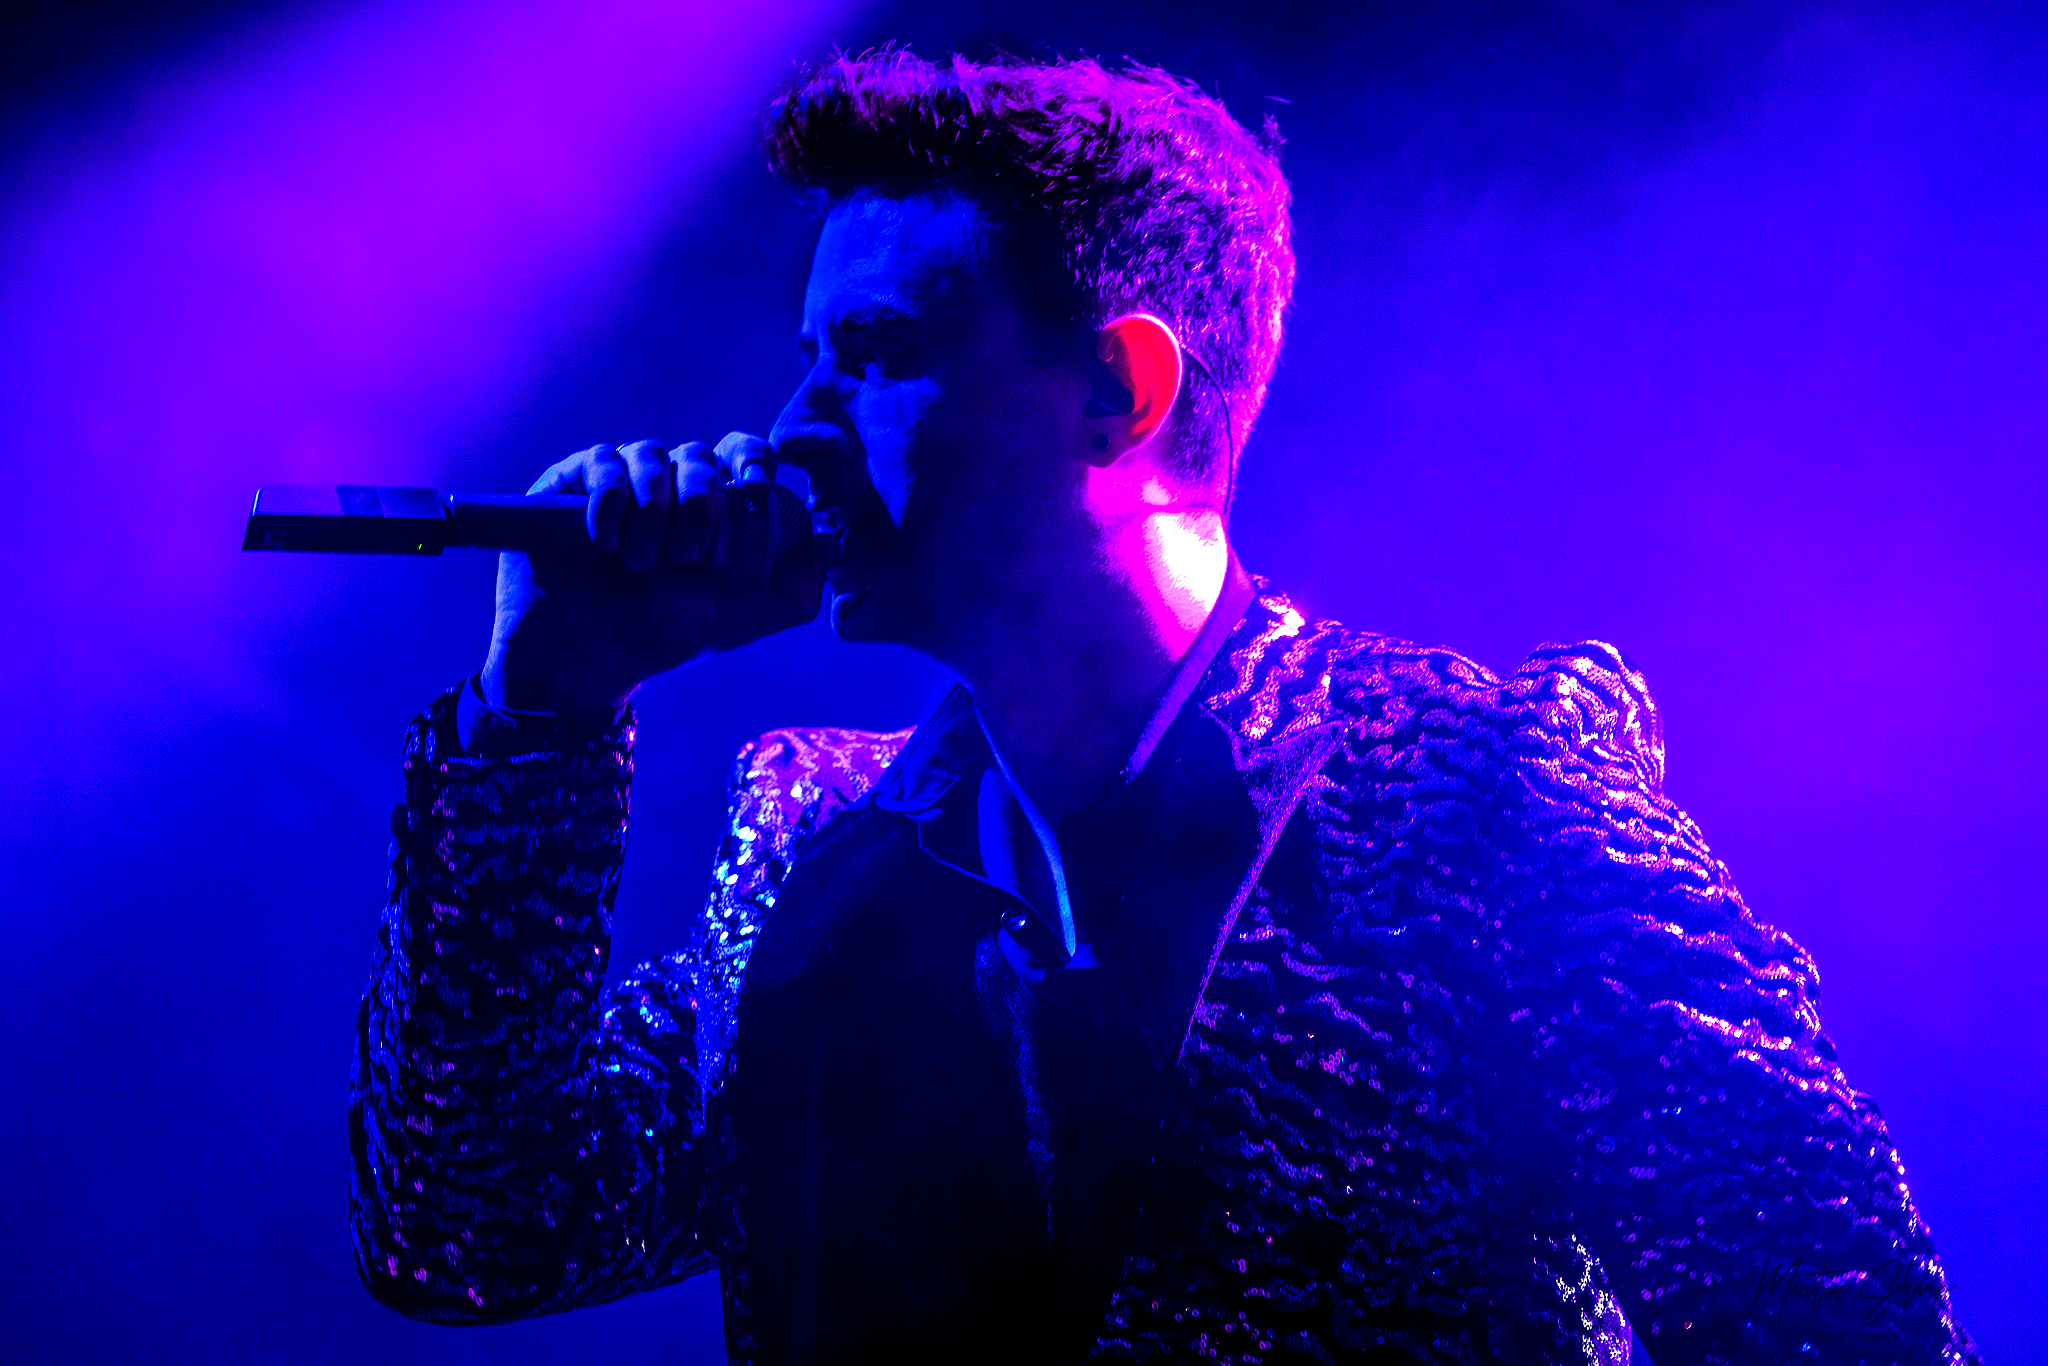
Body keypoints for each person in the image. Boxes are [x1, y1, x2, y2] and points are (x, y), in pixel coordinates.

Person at [348, 50, 1978, 1366]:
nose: (792, 426)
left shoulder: (1486, 798)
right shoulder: (808, 843)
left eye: (875, 352)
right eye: (807, 355)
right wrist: (546, 704)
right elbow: (471, 1231)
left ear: (1121, 390)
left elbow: (1837, 1320)